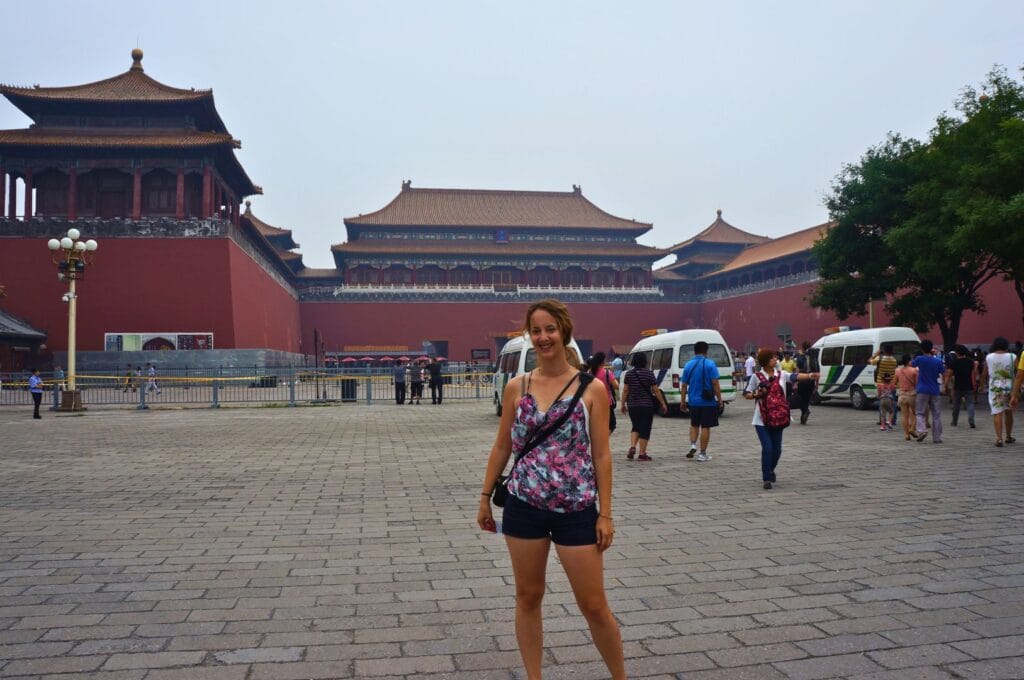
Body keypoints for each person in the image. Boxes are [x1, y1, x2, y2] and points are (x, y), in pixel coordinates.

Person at [477, 299, 625, 680]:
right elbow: (502, 446)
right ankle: (534, 676)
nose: (543, 337)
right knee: (528, 597)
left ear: (564, 332)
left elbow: (603, 456)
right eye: (536, 331)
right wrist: (483, 498)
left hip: (577, 510)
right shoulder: (517, 387)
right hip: (523, 506)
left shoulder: (591, 389)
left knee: (593, 604)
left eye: (550, 329)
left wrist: (605, 513)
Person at [744, 348, 818, 489]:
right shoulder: (756, 377)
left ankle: (771, 469)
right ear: (765, 361)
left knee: (777, 450)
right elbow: (746, 393)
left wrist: (810, 376)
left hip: (779, 417)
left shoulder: (781, 374)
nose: (775, 360)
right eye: (772, 357)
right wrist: (757, 395)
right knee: (767, 448)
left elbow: (795, 377)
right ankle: (766, 478)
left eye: (775, 357)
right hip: (761, 419)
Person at [620, 353, 668, 461]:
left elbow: (625, 390)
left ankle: (632, 447)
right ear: (644, 361)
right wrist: (662, 403)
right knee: (645, 429)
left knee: (635, 426)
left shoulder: (629, 374)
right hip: (646, 405)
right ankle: (642, 454)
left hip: (632, 405)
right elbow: (656, 390)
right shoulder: (649, 373)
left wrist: (623, 404)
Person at [680, 341, 721, 462]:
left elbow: (684, 385)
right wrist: (719, 398)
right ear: (706, 351)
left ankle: (693, 444)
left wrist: (683, 401)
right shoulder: (710, 364)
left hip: (693, 401)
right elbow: (715, 382)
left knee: (694, 424)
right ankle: (702, 454)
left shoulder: (688, 365)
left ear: (695, 351)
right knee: (705, 427)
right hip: (707, 401)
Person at [981, 337, 1016, 447]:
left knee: (997, 412)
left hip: (995, 388)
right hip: (1009, 388)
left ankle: (999, 438)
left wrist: (981, 385)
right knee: (1009, 412)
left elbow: (984, 374)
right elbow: (1018, 372)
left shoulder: (989, 357)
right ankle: (1008, 436)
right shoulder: (1012, 356)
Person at [912, 340, 944, 444]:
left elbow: (912, 365)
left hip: (922, 389)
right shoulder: (937, 361)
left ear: (921, 349)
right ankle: (937, 438)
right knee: (936, 414)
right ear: (931, 348)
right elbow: (943, 372)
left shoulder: (919, 359)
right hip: (935, 389)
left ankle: (922, 430)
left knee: (920, 412)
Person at [587, 352, 618, 434]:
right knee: (611, 424)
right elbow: (616, 386)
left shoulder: (589, 373)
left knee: (598, 424)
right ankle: (603, 439)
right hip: (607, 401)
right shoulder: (607, 373)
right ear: (602, 361)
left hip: (593, 402)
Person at [946, 345, 976, 428]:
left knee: (956, 404)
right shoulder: (970, 362)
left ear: (957, 353)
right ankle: (971, 419)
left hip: (958, 386)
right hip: (968, 385)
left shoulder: (954, 362)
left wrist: (945, 385)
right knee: (970, 404)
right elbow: (973, 374)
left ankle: (954, 421)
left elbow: (949, 374)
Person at [870, 345, 899, 431]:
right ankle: (892, 421)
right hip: (891, 384)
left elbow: (870, 361)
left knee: (882, 403)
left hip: (881, 383)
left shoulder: (880, 358)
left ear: (884, 351)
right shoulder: (894, 360)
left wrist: (876, 354)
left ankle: (882, 422)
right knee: (892, 403)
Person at [894, 354, 921, 440]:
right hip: (912, 394)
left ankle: (906, 435)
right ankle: (912, 428)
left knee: (904, 416)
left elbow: (894, 383)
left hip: (902, 395)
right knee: (916, 413)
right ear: (909, 361)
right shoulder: (914, 370)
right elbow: (917, 384)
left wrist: (901, 386)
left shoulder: (897, 371)